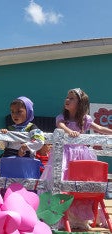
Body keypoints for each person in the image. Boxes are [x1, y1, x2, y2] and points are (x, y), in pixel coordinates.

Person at [41, 88, 112, 230]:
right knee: (61, 179)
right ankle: (58, 217)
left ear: (80, 103)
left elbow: (99, 128)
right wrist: (69, 131)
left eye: (71, 98)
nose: (67, 100)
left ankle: (78, 219)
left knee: (80, 185)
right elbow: (60, 126)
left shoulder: (85, 119)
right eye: (67, 97)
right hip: (65, 154)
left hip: (80, 154)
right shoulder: (62, 118)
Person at [0, 96, 45, 175]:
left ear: (28, 112)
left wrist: (25, 146)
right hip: (9, 162)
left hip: (25, 165)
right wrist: (2, 136)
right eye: (12, 112)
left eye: (19, 111)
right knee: (7, 184)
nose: (15, 115)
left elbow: (39, 141)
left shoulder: (32, 128)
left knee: (23, 185)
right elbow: (3, 146)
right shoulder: (10, 128)